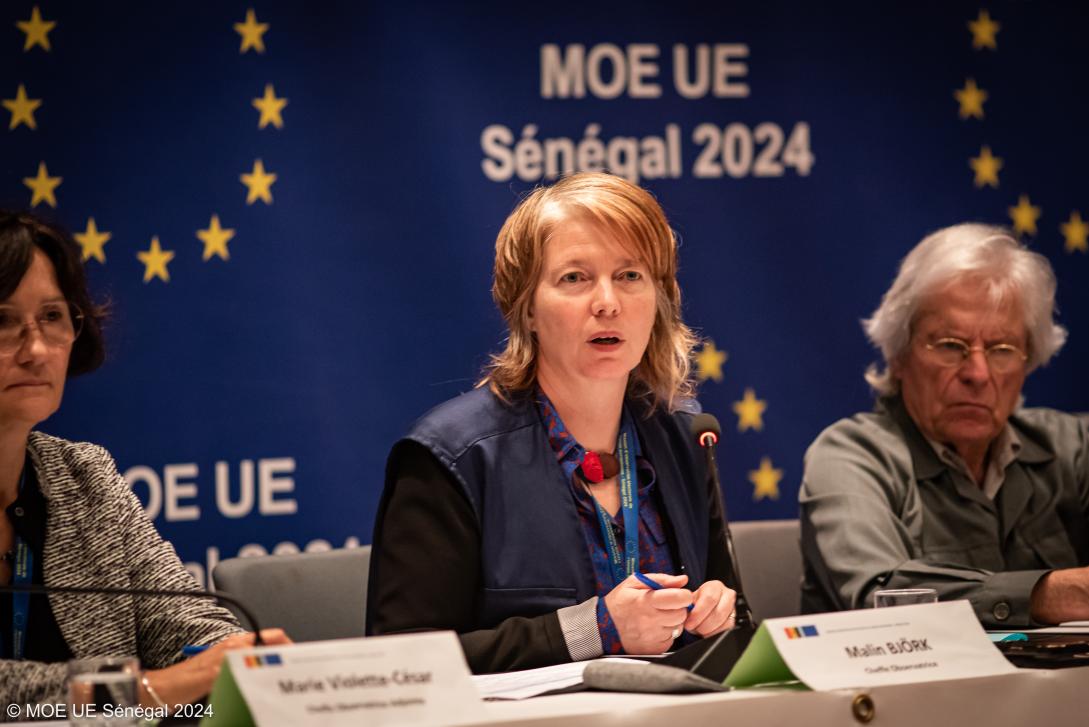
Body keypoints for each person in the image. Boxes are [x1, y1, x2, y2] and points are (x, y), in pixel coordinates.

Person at [367, 172, 739, 673]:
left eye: (630, 276)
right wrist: (595, 630)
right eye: (575, 278)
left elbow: (742, 621)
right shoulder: (452, 456)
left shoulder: (684, 437)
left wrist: (720, 614)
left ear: (659, 299)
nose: (607, 302)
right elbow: (401, 662)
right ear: (527, 310)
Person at [0, 210, 289, 707]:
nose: (36, 349)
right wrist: (148, 689)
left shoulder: (82, 478)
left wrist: (231, 655)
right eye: (2, 322)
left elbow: (184, 622)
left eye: (52, 316)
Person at [799, 222, 1089, 627]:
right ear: (899, 355)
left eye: (1002, 350)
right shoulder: (851, 455)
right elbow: (881, 596)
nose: (978, 373)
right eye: (951, 346)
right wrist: (1055, 593)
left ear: (1030, 361)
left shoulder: (1070, 447)